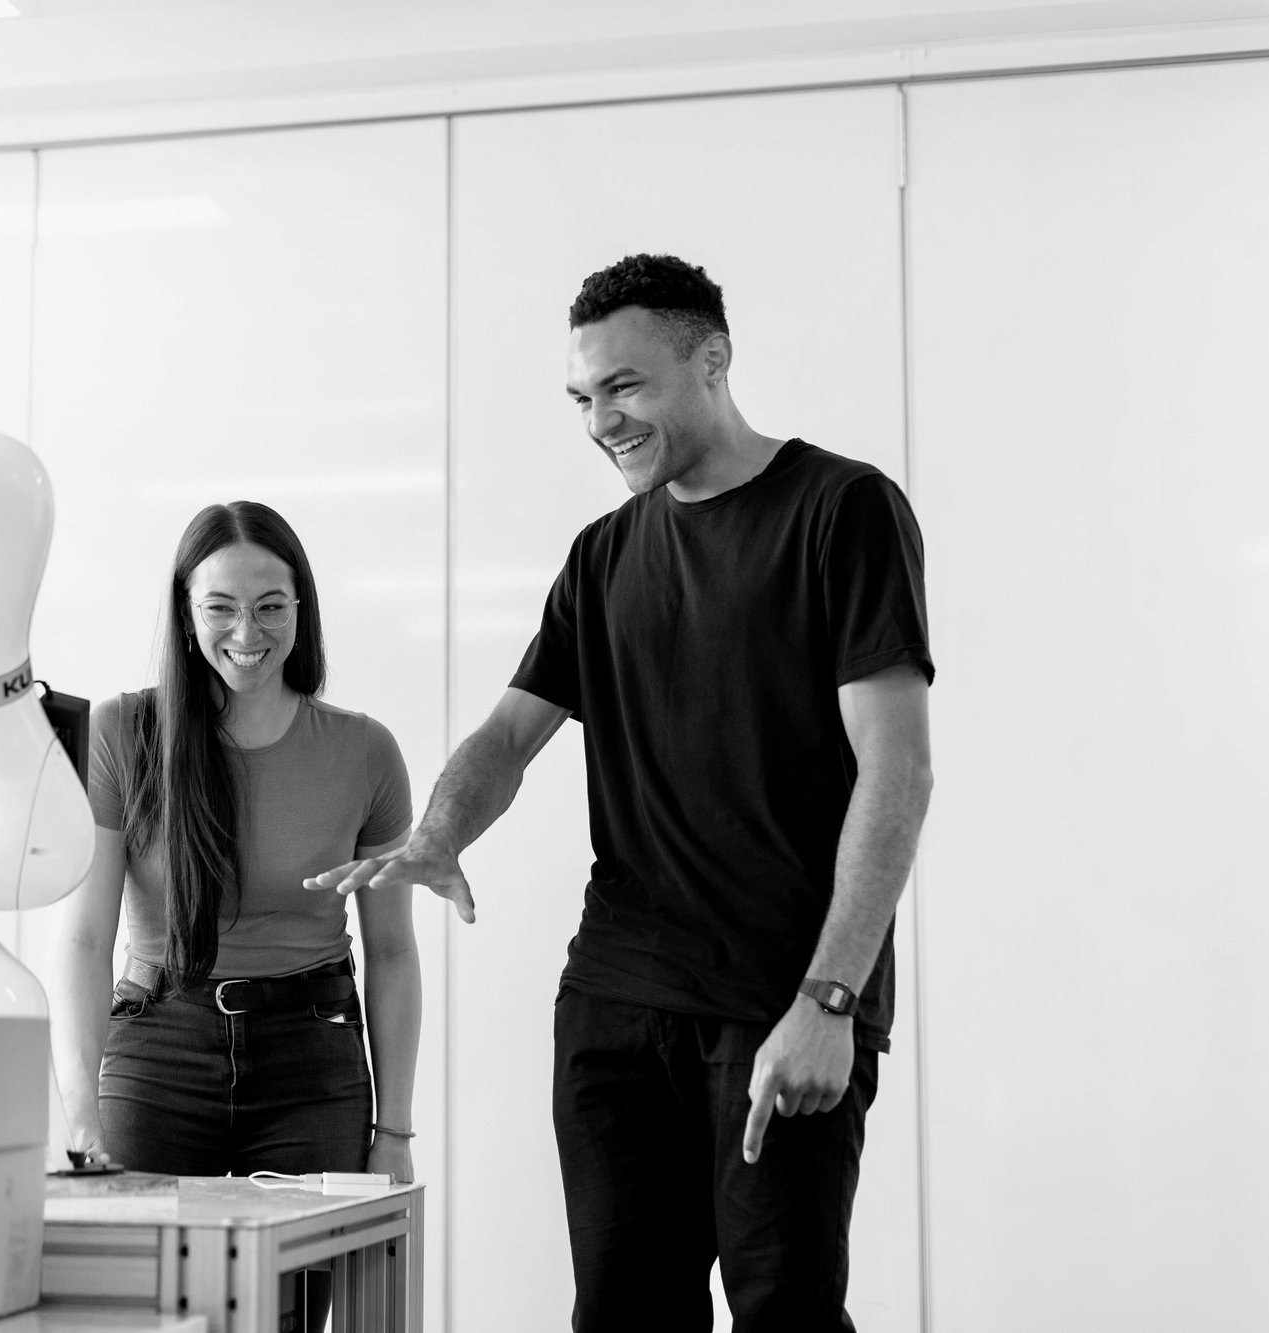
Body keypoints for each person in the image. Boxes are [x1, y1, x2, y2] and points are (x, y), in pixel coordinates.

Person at [310, 253, 934, 1331]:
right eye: (582, 396)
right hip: (615, 998)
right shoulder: (602, 555)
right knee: (620, 1311)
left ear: (712, 360)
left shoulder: (841, 510)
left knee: (783, 1309)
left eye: (624, 385)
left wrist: (829, 1000)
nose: (600, 418)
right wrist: (438, 830)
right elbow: (509, 733)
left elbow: (898, 769)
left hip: (779, 999)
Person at [50, 499, 421, 1192]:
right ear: (186, 614)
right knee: (147, 1291)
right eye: (220, 606)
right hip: (159, 1045)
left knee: (289, 1299)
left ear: (300, 609)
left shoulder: (365, 752)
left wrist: (394, 1131)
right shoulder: (118, 732)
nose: (247, 631)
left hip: (312, 1056)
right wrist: (79, 1119)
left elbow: (393, 950)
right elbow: (82, 940)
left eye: (271, 606)